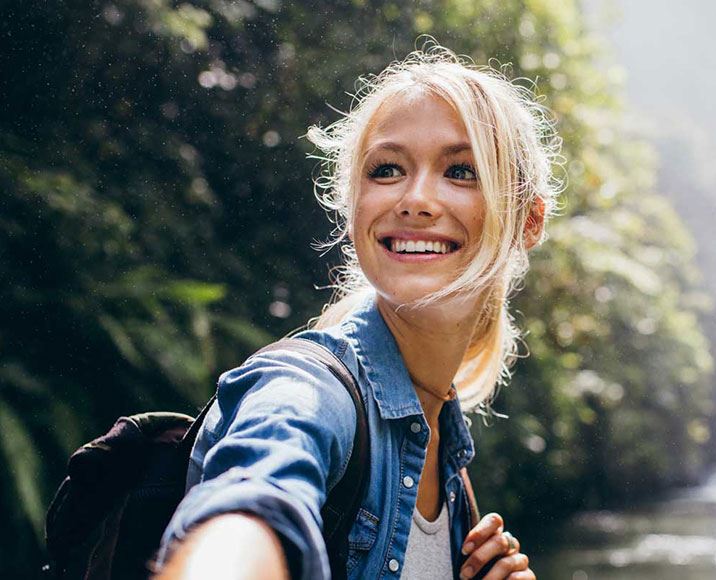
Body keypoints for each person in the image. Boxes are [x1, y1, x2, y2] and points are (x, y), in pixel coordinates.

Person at [155, 43, 562, 580]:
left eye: (461, 171)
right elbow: (253, 500)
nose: (416, 199)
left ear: (528, 222)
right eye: (388, 169)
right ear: (353, 210)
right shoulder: (305, 388)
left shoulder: (448, 453)